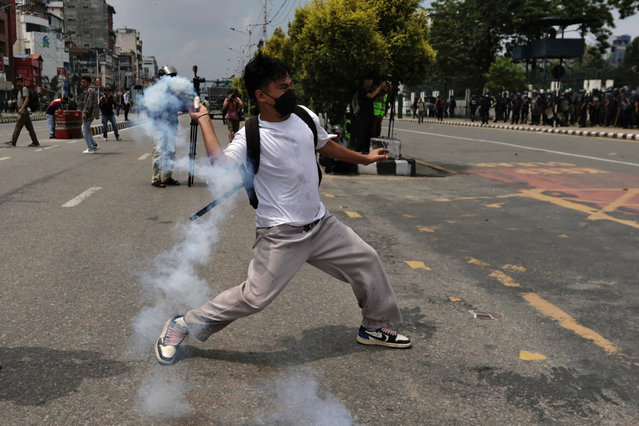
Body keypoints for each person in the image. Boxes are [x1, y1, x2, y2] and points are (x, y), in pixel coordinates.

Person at [155, 54, 411, 365]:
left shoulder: (304, 116)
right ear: (261, 95)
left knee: (368, 259)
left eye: (290, 85)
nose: (290, 92)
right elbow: (220, 164)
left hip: (320, 225)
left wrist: (365, 158)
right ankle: (182, 324)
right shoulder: (250, 135)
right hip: (281, 235)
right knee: (254, 298)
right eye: (282, 87)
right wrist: (205, 119)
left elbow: (324, 144)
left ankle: (372, 326)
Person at [149, 65, 183, 188]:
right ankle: (156, 178)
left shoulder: (173, 89)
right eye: (170, 76)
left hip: (171, 124)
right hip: (160, 124)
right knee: (158, 151)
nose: (173, 78)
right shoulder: (157, 89)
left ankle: (167, 176)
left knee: (171, 152)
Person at [355, 76, 387, 153]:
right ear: (364, 81)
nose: (369, 82)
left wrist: (384, 89)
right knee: (362, 136)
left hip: (370, 116)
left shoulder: (372, 90)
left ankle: (366, 152)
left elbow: (379, 97)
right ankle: (358, 152)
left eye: (371, 80)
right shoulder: (362, 90)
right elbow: (371, 96)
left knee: (369, 136)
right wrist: (380, 86)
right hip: (363, 116)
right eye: (368, 80)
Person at [5, 77, 40, 147]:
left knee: (18, 126)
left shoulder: (24, 89)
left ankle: (13, 141)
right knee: (30, 128)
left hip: (24, 111)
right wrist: (15, 102)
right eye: (17, 82)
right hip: (25, 112)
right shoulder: (19, 90)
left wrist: (21, 108)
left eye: (19, 82)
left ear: (22, 82)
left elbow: (27, 99)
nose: (18, 83)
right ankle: (35, 142)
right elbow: (22, 100)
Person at [79, 76, 99, 153]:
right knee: (85, 129)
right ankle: (94, 145)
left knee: (85, 131)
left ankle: (90, 148)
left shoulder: (90, 90)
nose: (82, 83)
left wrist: (85, 112)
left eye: (84, 82)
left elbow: (89, 103)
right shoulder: (89, 89)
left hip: (89, 113)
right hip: (91, 113)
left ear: (88, 82)